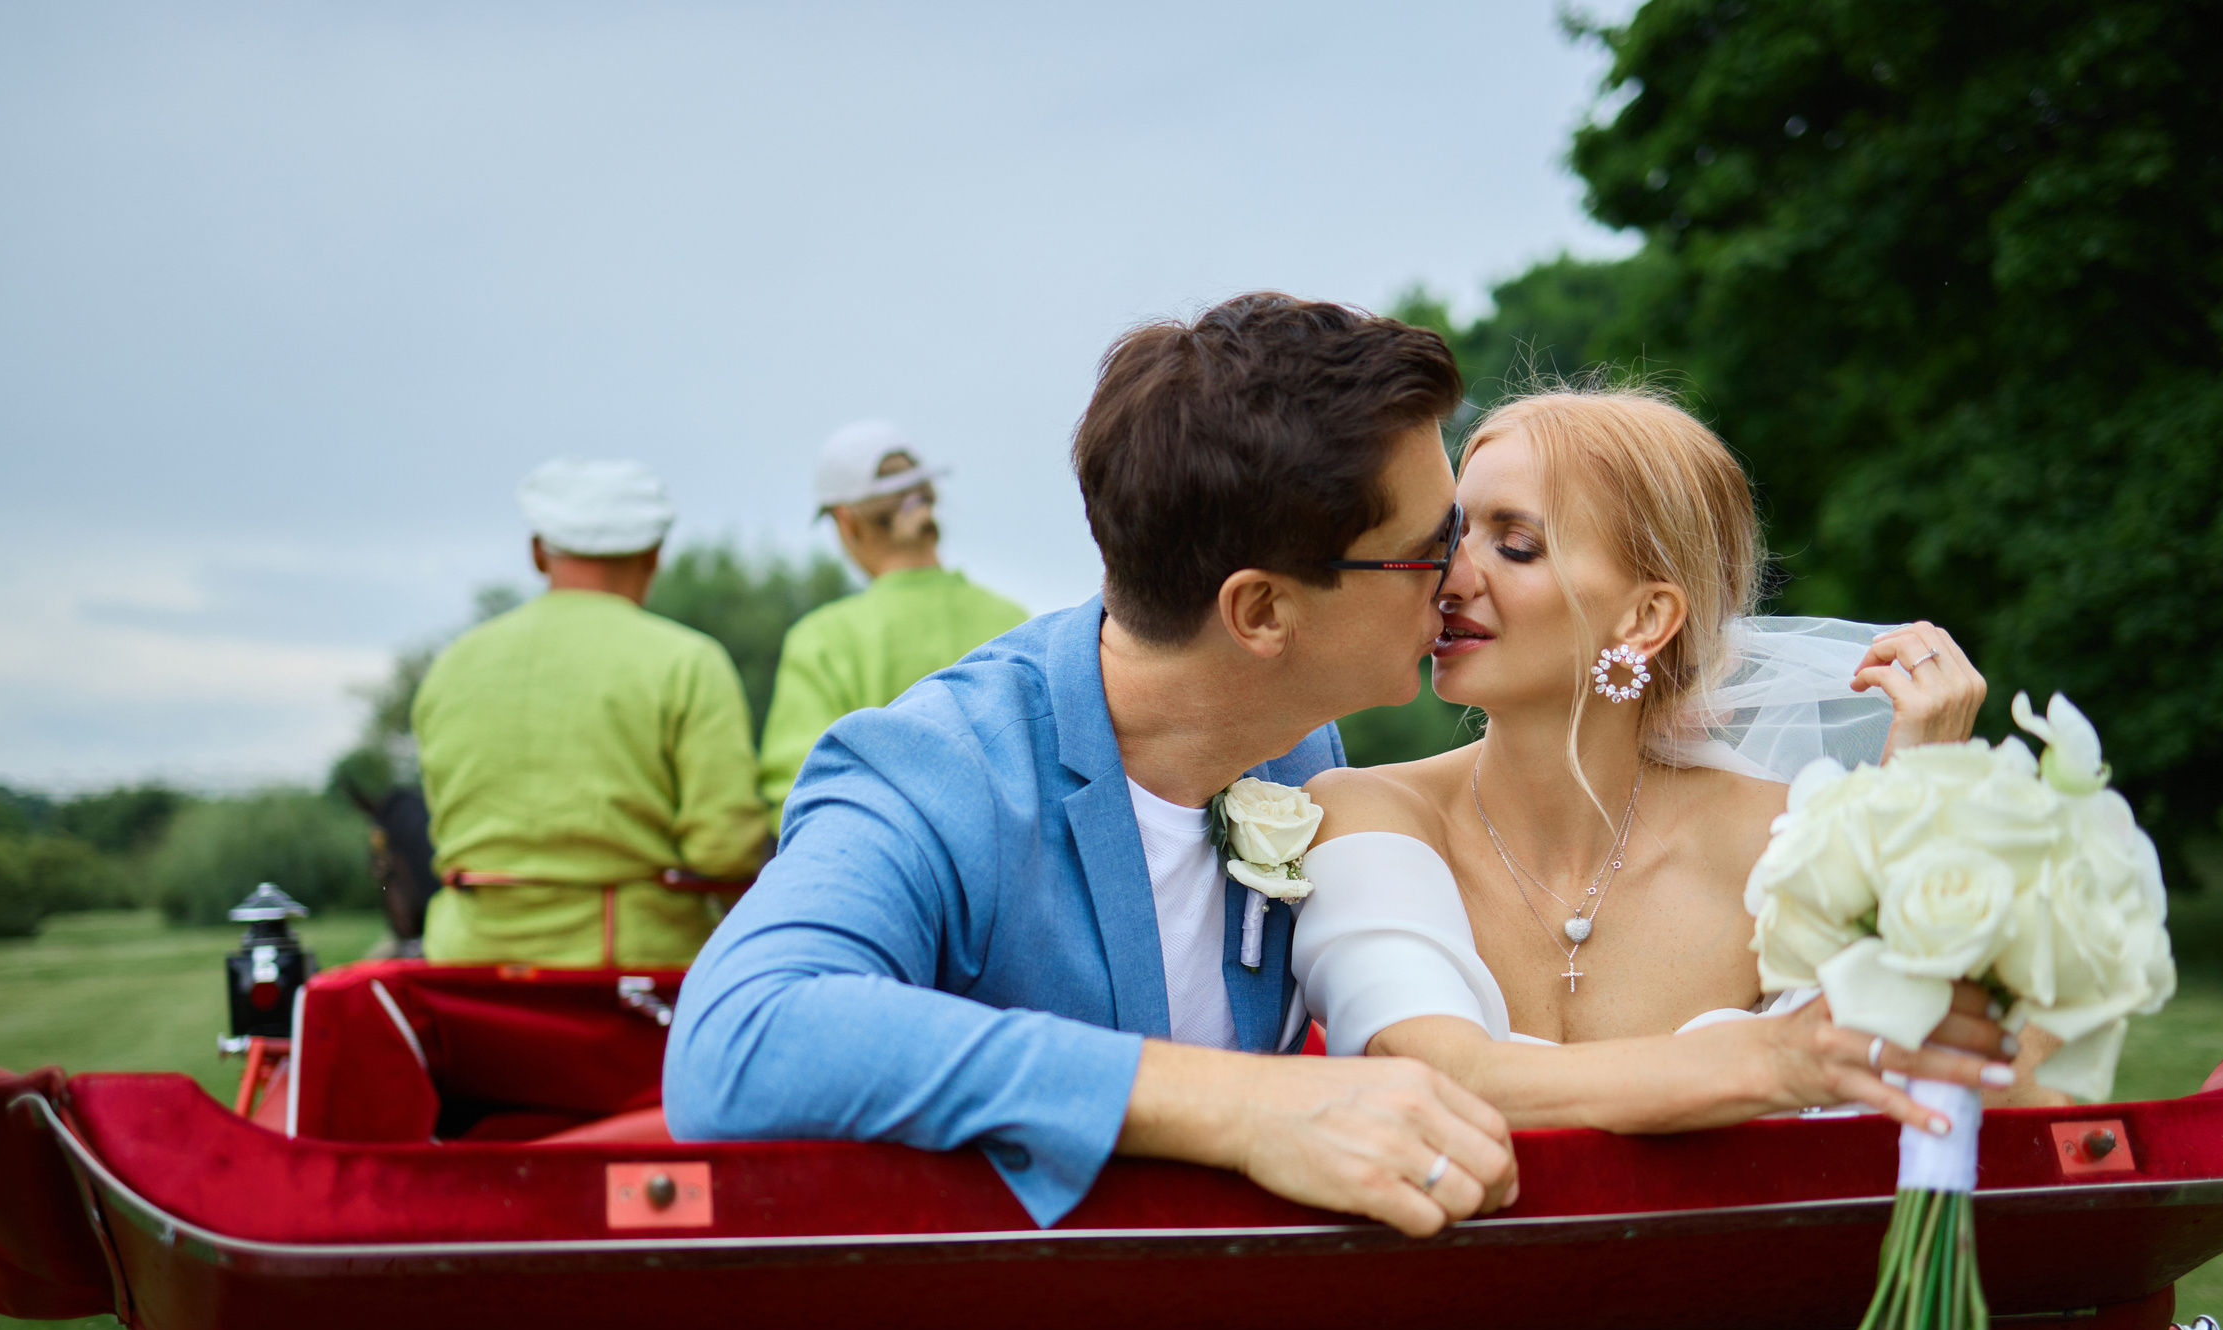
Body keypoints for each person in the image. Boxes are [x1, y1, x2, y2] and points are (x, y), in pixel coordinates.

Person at [667, 295, 1996, 1239]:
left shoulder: (1297, 749)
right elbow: (737, 1042)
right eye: (1431, 547)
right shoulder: (935, 772)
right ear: (1260, 613)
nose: (1459, 576)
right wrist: (1249, 1103)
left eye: (1492, 539)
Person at [1293, 384, 2026, 1116]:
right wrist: (1775, 1058)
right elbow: (1428, 1076)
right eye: (1449, 539)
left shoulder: (1794, 844)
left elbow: (1962, 1090)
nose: (1449, 580)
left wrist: (1918, 805)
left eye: (1516, 546)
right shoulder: (1368, 811)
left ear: (1646, 617)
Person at [414, 457, 764, 968]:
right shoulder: (688, 662)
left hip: (466, 969)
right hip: (632, 976)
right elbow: (724, 851)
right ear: (653, 554)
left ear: (538, 553)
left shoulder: (451, 665)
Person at [756, 421, 1029, 836]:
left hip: (892, 883)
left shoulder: (823, 641)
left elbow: (798, 790)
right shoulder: (1013, 622)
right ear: (928, 503)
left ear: (847, 523)